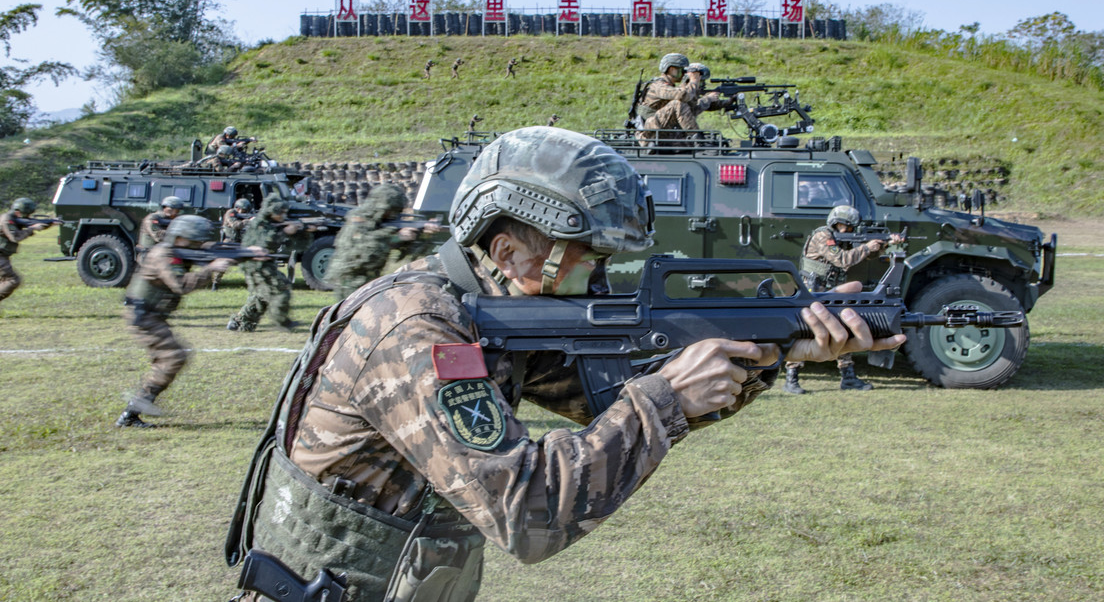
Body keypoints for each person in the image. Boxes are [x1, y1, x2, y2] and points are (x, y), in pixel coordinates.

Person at [225, 126, 904, 601]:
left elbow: (603, 401)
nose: (602, 272)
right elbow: (528, 513)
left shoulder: (482, 312)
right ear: (512, 249)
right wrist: (668, 396)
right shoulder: (418, 330)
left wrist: (780, 346)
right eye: (589, 252)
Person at [115, 215, 240, 428]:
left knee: (170, 359)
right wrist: (211, 268)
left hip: (150, 314)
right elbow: (181, 285)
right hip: (143, 315)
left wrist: (245, 252)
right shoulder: (163, 254)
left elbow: (206, 248)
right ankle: (132, 412)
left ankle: (133, 410)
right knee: (173, 358)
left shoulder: (177, 250)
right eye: (194, 241)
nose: (198, 245)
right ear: (180, 238)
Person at [783, 205, 905, 394]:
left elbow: (865, 255)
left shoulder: (840, 238)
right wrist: (866, 247)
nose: (850, 231)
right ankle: (791, 378)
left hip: (831, 289)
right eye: (848, 227)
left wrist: (885, 243)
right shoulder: (823, 236)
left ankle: (848, 376)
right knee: (806, 330)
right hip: (813, 289)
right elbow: (842, 260)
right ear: (839, 223)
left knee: (843, 327)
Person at [324, 183, 441, 301]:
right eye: (390, 210)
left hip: (370, 279)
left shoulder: (384, 225)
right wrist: (396, 237)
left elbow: (409, 253)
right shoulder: (359, 220)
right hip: (350, 280)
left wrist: (423, 234)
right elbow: (361, 251)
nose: (392, 214)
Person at [227, 197, 311, 332]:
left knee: (262, 295)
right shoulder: (260, 224)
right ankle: (282, 321)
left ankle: (239, 321)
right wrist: (285, 232)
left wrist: (304, 231)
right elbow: (264, 242)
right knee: (280, 288)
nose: (283, 216)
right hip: (255, 264)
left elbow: (295, 244)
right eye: (280, 213)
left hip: (264, 263)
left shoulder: (273, 223)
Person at [635, 53, 723, 148]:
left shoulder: (668, 86)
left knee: (682, 104)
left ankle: (695, 139)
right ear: (671, 69)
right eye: (681, 70)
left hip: (659, 130)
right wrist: (693, 81)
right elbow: (683, 95)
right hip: (648, 134)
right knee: (677, 103)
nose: (684, 74)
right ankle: (697, 139)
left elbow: (690, 109)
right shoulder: (658, 86)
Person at [0, 198, 54, 304]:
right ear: (18, 212)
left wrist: (49, 223)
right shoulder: (7, 219)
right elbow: (15, 237)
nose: (28, 217)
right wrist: (31, 229)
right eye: (26, 214)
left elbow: (28, 224)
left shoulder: (13, 218)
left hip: (3, 255)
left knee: (4, 280)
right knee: (12, 280)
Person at [211, 198, 255, 290]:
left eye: (245, 210)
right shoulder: (230, 213)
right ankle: (215, 283)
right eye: (242, 210)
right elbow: (235, 225)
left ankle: (251, 284)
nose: (242, 212)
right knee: (223, 263)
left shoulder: (242, 215)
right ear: (237, 208)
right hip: (229, 242)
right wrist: (248, 221)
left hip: (241, 243)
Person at [137, 196, 184, 262]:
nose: (177, 213)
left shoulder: (173, 219)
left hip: (163, 254)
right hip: (149, 256)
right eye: (176, 210)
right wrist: (178, 235)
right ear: (168, 209)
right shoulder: (152, 218)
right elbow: (158, 236)